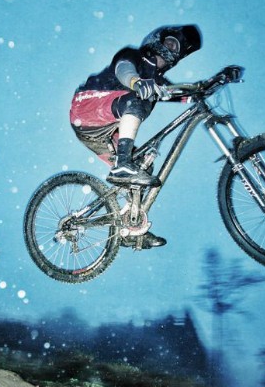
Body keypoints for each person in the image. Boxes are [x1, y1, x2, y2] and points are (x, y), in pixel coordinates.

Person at [69, 24, 202, 249]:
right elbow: (124, 70)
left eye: (177, 49)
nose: (173, 50)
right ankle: (123, 164)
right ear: (157, 40)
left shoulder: (157, 82)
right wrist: (136, 82)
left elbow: (183, 93)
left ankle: (129, 226)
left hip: (102, 136)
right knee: (137, 100)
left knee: (142, 168)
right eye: (170, 43)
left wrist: (213, 83)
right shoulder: (134, 57)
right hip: (87, 107)